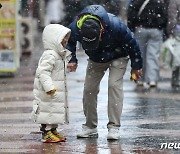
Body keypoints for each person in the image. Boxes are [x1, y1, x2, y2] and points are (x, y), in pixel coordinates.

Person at [66, 5, 143, 140]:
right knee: (89, 89)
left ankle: (114, 127)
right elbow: (69, 42)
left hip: (119, 56)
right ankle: (90, 127)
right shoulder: (75, 28)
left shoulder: (116, 25)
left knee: (114, 85)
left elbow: (133, 44)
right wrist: (72, 59)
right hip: (95, 58)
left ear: (101, 31)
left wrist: (136, 67)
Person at [31, 24, 72, 143]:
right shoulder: (50, 55)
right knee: (48, 111)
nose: (65, 41)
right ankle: (46, 132)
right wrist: (48, 87)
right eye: (63, 39)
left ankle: (53, 130)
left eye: (66, 39)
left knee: (54, 111)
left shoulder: (59, 55)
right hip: (48, 91)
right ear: (54, 40)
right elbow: (42, 72)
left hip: (55, 90)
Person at [127, 0, 167, 88]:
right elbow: (165, 16)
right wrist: (161, 26)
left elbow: (131, 15)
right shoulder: (159, 2)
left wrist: (132, 27)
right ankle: (152, 79)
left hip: (141, 29)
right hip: (155, 30)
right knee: (153, 55)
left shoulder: (137, 2)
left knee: (140, 55)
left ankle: (139, 79)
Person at [167, 0, 180, 87]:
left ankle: (176, 79)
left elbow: (172, 16)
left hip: (178, 30)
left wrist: (170, 30)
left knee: (177, 55)